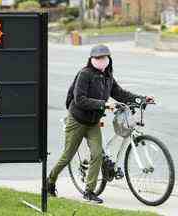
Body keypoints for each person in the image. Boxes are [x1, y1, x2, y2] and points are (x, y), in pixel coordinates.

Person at [46, 44, 154, 204]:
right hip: (77, 121)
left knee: (97, 155)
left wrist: (141, 99)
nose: (101, 60)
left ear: (109, 59)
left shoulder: (108, 76)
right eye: (97, 58)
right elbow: (79, 99)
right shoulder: (85, 74)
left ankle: (89, 191)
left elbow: (120, 93)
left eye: (104, 57)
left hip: (93, 122)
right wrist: (104, 104)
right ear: (91, 59)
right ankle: (50, 181)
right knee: (67, 155)